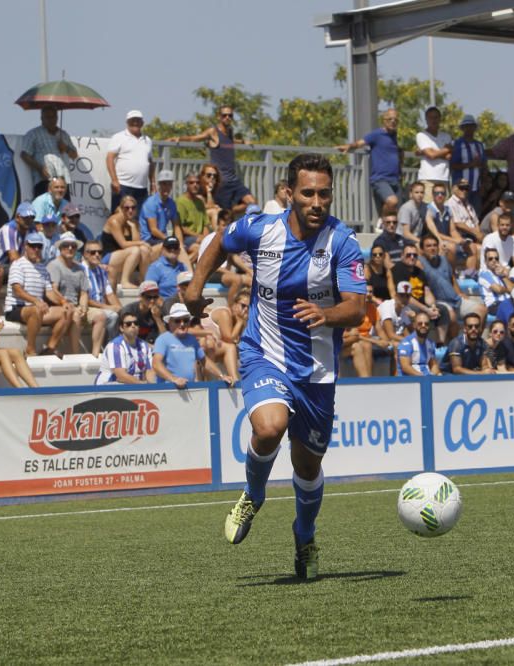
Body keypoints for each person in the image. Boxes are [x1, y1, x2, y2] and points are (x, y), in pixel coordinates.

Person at [183, 153, 367, 580]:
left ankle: (304, 535)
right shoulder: (261, 229)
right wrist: (195, 287)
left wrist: (328, 315)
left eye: (324, 193)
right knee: (268, 427)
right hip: (264, 352)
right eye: (308, 193)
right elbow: (218, 240)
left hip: (317, 372)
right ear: (289, 194)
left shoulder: (343, 242)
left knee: (307, 468)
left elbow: (357, 309)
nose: (317, 201)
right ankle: (253, 494)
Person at [170, 105, 256, 215]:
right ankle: (227, 215)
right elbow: (196, 138)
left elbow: (230, 141)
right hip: (221, 180)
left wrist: (243, 142)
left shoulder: (230, 131)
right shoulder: (213, 131)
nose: (227, 118)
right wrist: (179, 139)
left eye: (230, 115)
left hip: (234, 180)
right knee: (224, 213)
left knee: (252, 203)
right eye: (224, 115)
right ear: (219, 117)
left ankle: (229, 213)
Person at [3, 232, 72, 358]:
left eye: (39, 246)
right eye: (33, 246)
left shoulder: (42, 268)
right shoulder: (17, 264)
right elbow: (17, 290)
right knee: (36, 310)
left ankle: (50, 348)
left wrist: (63, 302)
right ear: (26, 246)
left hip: (37, 308)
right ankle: (30, 350)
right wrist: (36, 301)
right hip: (16, 308)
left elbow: (50, 292)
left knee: (67, 311)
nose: (36, 249)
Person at [336, 108, 403, 215]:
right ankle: (382, 220)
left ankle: (386, 226)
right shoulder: (376, 134)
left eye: (395, 120)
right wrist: (348, 146)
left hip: (395, 179)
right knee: (392, 201)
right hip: (380, 178)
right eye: (390, 119)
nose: (393, 122)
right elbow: (360, 143)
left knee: (400, 211)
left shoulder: (394, 135)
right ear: (384, 121)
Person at [153, 302, 228, 387]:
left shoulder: (192, 340)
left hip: (189, 388)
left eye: (185, 320)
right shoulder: (163, 339)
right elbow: (156, 364)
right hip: (168, 390)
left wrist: (221, 376)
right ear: (170, 322)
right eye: (177, 320)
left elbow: (205, 361)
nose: (182, 324)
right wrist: (174, 379)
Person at [47, 232, 93, 355]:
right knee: (75, 316)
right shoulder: (53, 265)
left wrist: (83, 307)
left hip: (77, 306)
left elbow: (84, 293)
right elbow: (53, 290)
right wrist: (66, 303)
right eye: (66, 245)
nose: (70, 248)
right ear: (60, 248)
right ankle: (75, 354)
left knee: (103, 316)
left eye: (73, 246)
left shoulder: (80, 268)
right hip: (60, 306)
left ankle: (96, 355)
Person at [20, 106, 78, 197]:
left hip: (62, 181)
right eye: (47, 117)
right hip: (44, 180)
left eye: (53, 117)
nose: (51, 120)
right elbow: (24, 154)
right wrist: (40, 168)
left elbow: (74, 155)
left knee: (64, 210)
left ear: (57, 117)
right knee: (44, 209)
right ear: (41, 118)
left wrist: (65, 148)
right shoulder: (33, 133)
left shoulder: (63, 135)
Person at [106, 109, 155, 213]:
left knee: (139, 218)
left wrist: (153, 183)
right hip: (123, 185)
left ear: (142, 123)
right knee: (119, 216)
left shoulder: (148, 140)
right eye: (132, 120)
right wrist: (114, 180)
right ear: (127, 122)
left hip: (142, 187)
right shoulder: (119, 137)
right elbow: (110, 158)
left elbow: (150, 162)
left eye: (138, 120)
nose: (135, 123)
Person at [102, 194, 152, 292]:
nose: (130, 210)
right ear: (121, 208)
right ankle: (125, 281)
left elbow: (135, 242)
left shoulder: (134, 223)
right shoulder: (114, 221)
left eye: (133, 208)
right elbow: (124, 244)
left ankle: (143, 279)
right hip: (109, 258)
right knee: (136, 249)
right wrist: (142, 242)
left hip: (124, 257)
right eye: (127, 208)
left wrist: (133, 227)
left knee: (144, 250)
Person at [81, 239, 122, 356]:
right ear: (85, 254)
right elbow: (85, 298)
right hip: (86, 307)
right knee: (112, 316)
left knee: (122, 313)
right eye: (93, 252)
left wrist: (119, 307)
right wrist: (109, 307)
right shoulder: (80, 270)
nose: (97, 255)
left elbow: (109, 294)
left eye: (99, 252)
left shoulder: (101, 271)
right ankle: (111, 351)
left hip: (100, 307)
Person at [95, 311, 157, 385]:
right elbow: (121, 376)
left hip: (133, 387)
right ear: (121, 328)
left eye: (136, 323)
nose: (133, 325)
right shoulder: (115, 346)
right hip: (108, 386)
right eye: (128, 324)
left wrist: (151, 385)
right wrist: (142, 384)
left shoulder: (144, 345)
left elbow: (149, 371)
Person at [139, 170, 183, 258]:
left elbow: (176, 226)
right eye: (164, 184)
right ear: (159, 185)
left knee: (182, 248)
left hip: (161, 237)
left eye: (169, 184)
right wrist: (170, 240)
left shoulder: (171, 203)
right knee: (172, 249)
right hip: (149, 239)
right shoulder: (151, 203)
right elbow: (153, 230)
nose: (166, 187)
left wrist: (180, 242)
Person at [414, 106, 452, 203]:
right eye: (430, 117)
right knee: (428, 211)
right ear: (426, 119)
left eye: (436, 117)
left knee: (444, 211)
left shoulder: (446, 136)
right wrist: (445, 149)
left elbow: (449, 156)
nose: (433, 120)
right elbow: (431, 155)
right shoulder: (421, 135)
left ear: (440, 119)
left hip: (444, 179)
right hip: (427, 179)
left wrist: (427, 152)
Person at [450, 114, 486, 211]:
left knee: (475, 215)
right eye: (466, 126)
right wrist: (470, 165)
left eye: (471, 126)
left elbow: (484, 166)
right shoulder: (457, 144)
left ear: (475, 128)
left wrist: (483, 185)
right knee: (459, 214)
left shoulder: (480, 145)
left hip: (476, 189)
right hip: (461, 188)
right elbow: (452, 165)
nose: (469, 128)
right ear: (462, 128)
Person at [0, 202, 34, 266]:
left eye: (32, 217)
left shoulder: (32, 229)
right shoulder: (9, 228)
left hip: (14, 264)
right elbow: (13, 258)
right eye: (26, 217)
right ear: (17, 217)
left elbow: (35, 255)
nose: (29, 220)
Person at [178, 173, 213, 260]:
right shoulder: (180, 202)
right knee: (201, 248)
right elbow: (182, 228)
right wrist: (200, 237)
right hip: (186, 238)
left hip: (198, 238)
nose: (195, 185)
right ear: (186, 184)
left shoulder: (200, 202)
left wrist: (205, 237)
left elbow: (205, 224)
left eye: (197, 183)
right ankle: (185, 269)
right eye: (191, 183)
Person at [121, 280, 165, 345]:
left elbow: (165, 338)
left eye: (155, 297)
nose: (152, 300)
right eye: (148, 297)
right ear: (140, 297)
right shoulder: (129, 311)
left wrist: (158, 319)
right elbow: (126, 337)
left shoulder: (157, 311)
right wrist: (147, 346)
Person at [396, 311, 440, 376]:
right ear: (414, 325)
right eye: (420, 323)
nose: (423, 326)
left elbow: (433, 364)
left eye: (426, 324)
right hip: (409, 381)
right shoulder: (407, 343)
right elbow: (405, 367)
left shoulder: (431, 343)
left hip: (426, 379)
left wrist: (434, 375)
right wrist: (423, 378)